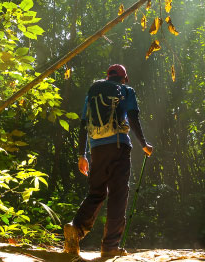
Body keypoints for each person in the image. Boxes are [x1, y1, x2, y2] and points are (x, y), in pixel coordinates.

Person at [63, 64, 153, 257]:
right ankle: (110, 246)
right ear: (123, 78)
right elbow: (133, 117)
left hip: (96, 149)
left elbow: (83, 124)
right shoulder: (126, 91)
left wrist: (82, 155)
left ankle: (76, 227)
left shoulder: (93, 94)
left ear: (107, 77)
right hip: (119, 147)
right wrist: (144, 144)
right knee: (118, 196)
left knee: (96, 192)